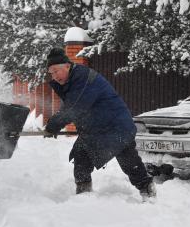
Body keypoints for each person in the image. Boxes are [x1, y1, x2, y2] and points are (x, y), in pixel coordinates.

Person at [44, 47, 156, 200]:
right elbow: (70, 105)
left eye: (56, 71)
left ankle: (148, 191)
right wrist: (55, 124)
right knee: (81, 157)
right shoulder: (73, 80)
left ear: (67, 66)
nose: (54, 76)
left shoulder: (83, 78)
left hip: (116, 126)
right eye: (51, 73)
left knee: (129, 162)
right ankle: (83, 197)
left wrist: (54, 125)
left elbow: (75, 107)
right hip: (96, 129)